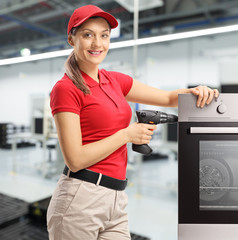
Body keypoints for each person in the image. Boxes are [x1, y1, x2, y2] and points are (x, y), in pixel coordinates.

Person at [46, 4, 219, 240]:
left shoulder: (114, 80)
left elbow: (168, 97)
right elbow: (75, 160)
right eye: (88, 35)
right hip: (81, 198)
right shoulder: (66, 89)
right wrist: (127, 135)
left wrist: (197, 91)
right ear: (71, 39)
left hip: (116, 197)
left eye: (104, 35)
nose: (98, 44)